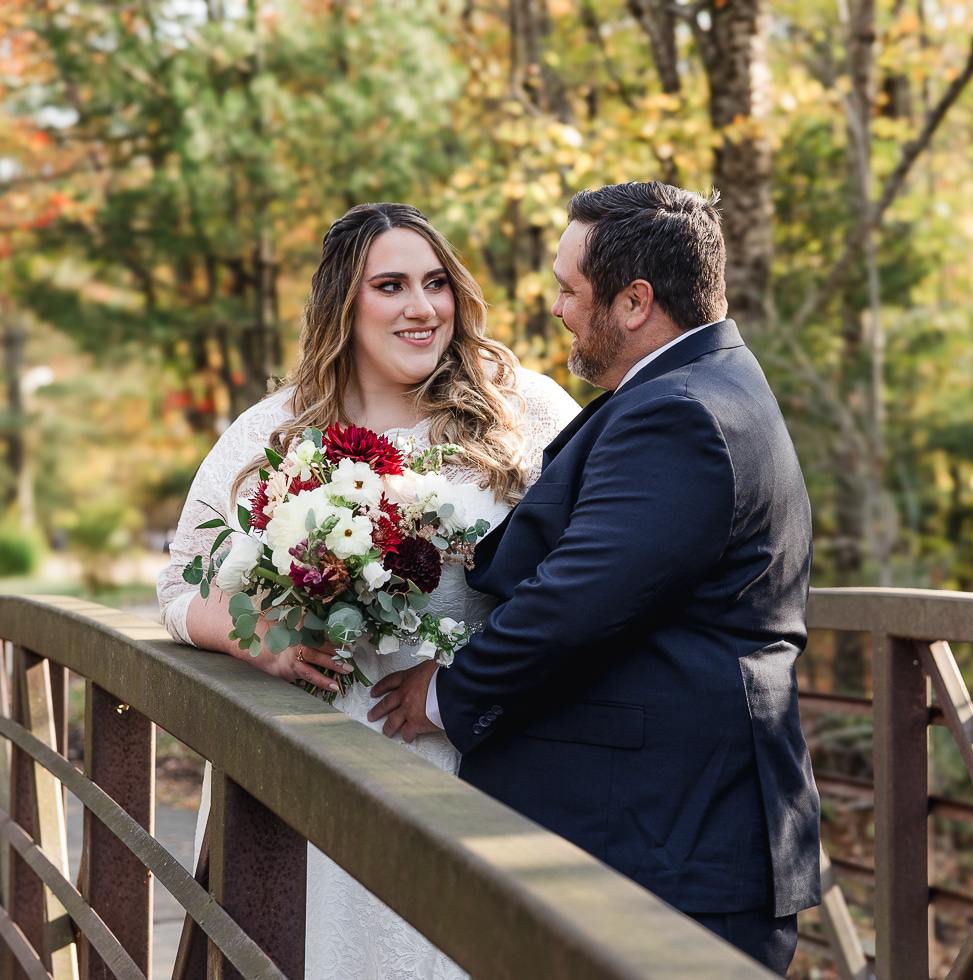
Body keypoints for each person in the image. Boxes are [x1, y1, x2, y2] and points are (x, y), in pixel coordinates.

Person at [369, 181, 821, 976]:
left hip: (673, 841)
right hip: (661, 830)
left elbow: (576, 600)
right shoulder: (690, 388)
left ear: (636, 300)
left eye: (570, 290)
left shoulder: (683, 414)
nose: (558, 309)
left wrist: (444, 692)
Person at [156, 202, 580, 980]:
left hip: (476, 745)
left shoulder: (527, 410)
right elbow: (179, 582)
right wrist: (259, 636)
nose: (422, 308)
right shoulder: (275, 432)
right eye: (391, 286)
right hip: (321, 752)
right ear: (343, 306)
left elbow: (592, 571)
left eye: (435, 283)